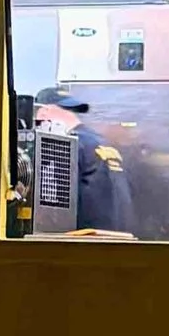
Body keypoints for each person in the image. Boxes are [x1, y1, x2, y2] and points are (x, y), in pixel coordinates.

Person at [34, 95, 135, 234]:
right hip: (121, 239)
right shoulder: (105, 143)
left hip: (84, 240)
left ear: (43, 113)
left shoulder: (65, 144)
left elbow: (51, 202)